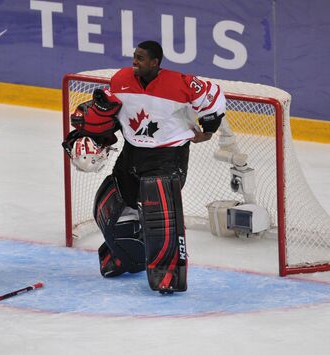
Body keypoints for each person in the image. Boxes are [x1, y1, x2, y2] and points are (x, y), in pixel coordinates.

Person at [66, 41, 226, 293]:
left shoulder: (180, 82)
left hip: (168, 155)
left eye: (140, 58)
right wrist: (96, 129)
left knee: (160, 211)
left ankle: (168, 271)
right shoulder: (121, 79)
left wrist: (209, 129)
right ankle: (124, 257)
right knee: (109, 204)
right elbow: (115, 114)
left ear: (155, 62)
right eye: (134, 57)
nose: (135, 61)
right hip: (132, 152)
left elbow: (213, 96)